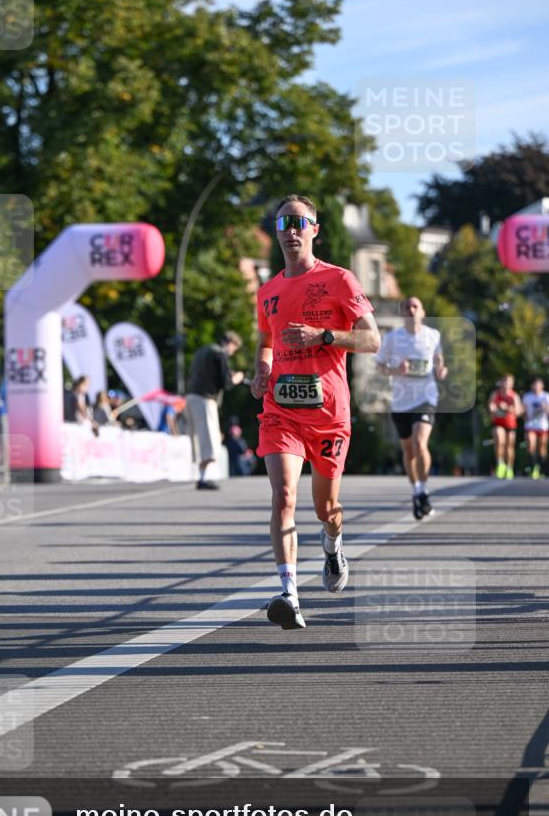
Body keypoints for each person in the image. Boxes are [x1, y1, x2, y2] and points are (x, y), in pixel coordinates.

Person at [251, 193, 380, 631]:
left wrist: (323, 335)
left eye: (299, 222)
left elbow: (372, 341)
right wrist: (261, 372)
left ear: (314, 230)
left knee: (326, 507)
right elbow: (266, 342)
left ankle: (332, 542)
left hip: (328, 412)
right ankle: (289, 593)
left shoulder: (340, 280)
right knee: (283, 496)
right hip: (281, 411)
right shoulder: (267, 291)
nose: (290, 230)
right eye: (283, 222)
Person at [376, 297, 448, 519]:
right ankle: (417, 490)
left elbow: (438, 360)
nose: (411, 310)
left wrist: (441, 370)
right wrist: (396, 370)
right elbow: (380, 367)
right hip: (401, 401)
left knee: (419, 442)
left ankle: (423, 489)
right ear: (402, 313)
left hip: (426, 397)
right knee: (408, 450)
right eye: (407, 307)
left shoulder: (432, 335)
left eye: (415, 306)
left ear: (422, 312)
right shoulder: (392, 338)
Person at [186, 331, 244, 490]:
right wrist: (237, 378)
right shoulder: (220, 354)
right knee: (209, 439)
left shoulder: (202, 351)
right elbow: (226, 383)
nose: (232, 352)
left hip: (191, 397)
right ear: (230, 343)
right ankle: (204, 478)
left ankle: (202, 476)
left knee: (198, 439)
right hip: (205, 400)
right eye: (234, 348)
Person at [487, 374, 523, 479]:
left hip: (510, 424)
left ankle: (509, 468)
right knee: (499, 440)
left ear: (512, 384)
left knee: (509, 446)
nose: (506, 384)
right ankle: (500, 464)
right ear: (501, 382)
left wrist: (507, 408)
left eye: (508, 382)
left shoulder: (514, 396)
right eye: (504, 381)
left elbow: (519, 412)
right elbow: (490, 407)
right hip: (498, 423)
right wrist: (493, 408)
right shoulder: (495, 394)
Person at [521, 377, 549, 479]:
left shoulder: (546, 396)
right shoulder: (527, 397)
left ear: (542, 386)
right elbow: (522, 411)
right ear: (531, 386)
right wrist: (525, 416)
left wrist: (545, 407)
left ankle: (542, 469)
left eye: (538, 384)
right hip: (531, 425)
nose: (536, 387)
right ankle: (533, 468)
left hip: (543, 426)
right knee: (531, 446)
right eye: (534, 384)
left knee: (542, 449)